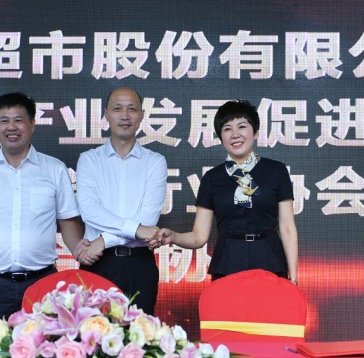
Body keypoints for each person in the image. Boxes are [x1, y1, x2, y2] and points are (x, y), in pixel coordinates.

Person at [0, 92, 84, 319]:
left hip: (42, 282)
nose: (11, 127)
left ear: (32, 124)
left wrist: (84, 253)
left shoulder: (54, 169)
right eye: (4, 120)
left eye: (19, 120)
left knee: (45, 341)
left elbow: (68, 222)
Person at [152, 100, 298, 283]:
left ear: (255, 132)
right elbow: (199, 236)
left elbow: (287, 228)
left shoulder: (276, 171)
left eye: (242, 126)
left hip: (270, 260)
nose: (235, 134)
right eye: (227, 129)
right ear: (221, 137)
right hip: (227, 262)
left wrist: (293, 277)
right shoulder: (212, 178)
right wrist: (174, 237)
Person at [73, 88, 168, 313]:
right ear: (106, 114)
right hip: (98, 263)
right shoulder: (89, 160)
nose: (125, 116)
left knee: (140, 332)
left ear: (141, 115)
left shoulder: (155, 161)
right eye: (117, 109)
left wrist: (104, 240)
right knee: (91, 330)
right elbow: (89, 211)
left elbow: (148, 219)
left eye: (131, 109)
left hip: (139, 264)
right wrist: (136, 230)